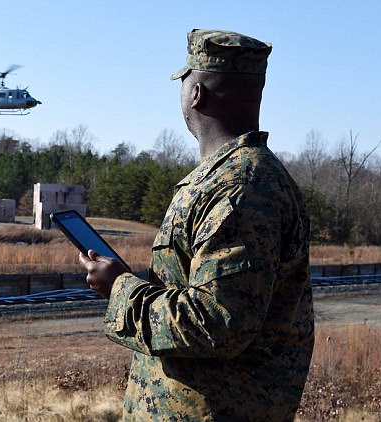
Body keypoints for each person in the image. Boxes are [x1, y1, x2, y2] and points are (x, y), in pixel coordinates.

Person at [79, 29, 314, 421]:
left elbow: (218, 323)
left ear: (196, 94)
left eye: (184, 81)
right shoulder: (234, 179)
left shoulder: (238, 189)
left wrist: (120, 288)